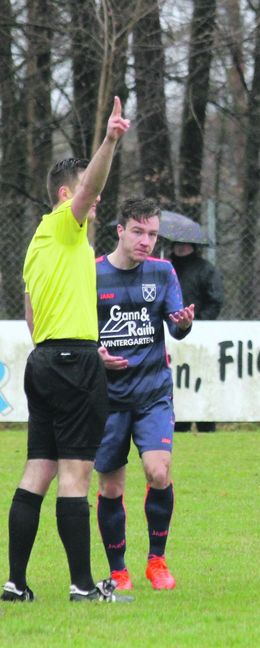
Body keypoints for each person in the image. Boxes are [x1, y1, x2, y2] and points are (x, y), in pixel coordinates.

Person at [2, 97, 132, 603]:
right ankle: (82, 587)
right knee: (76, 473)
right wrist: (111, 140)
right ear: (64, 193)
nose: (93, 201)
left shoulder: (39, 245)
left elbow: (34, 318)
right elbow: (92, 187)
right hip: (73, 364)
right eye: (84, 193)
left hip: (45, 361)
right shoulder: (63, 223)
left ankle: (15, 582)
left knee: (39, 469)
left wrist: (71, 346)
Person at [95, 198, 195, 591]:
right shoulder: (93, 275)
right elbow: (82, 331)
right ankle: (118, 569)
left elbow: (176, 326)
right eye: (138, 232)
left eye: (152, 234)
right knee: (110, 487)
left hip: (153, 393)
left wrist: (184, 324)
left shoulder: (163, 271)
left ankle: (157, 560)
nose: (146, 241)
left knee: (158, 471)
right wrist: (95, 355)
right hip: (108, 399)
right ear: (120, 231)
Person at [170, 241, 223, 432]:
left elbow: (215, 300)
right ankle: (179, 422)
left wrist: (199, 322)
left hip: (201, 336)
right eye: (177, 244)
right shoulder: (167, 268)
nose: (181, 247)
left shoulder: (205, 270)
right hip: (172, 335)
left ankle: (206, 423)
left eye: (185, 244)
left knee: (202, 379)